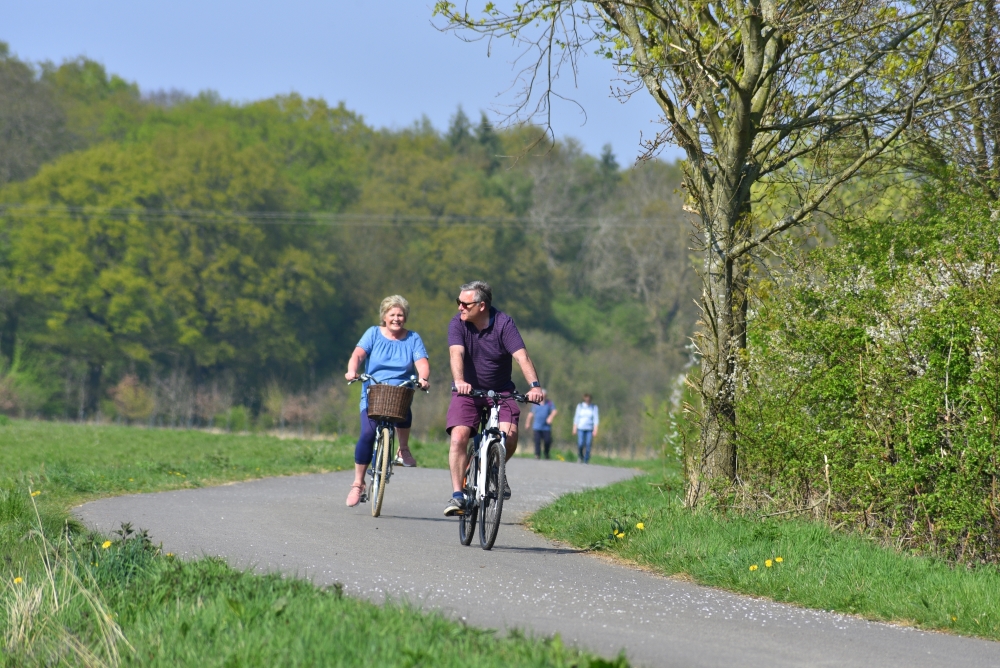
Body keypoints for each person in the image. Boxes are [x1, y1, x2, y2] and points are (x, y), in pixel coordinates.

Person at [443, 280, 545, 516]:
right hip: (467, 391)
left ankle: (493, 469)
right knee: (459, 437)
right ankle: (458, 495)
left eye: (464, 303)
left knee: (508, 437)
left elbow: (522, 357)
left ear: (481, 305)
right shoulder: (457, 324)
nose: (459, 307)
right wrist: (460, 381)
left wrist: (534, 386)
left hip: (500, 391)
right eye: (458, 302)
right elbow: (455, 353)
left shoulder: (503, 324)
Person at [344, 295, 430, 507]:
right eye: (392, 314)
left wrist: (423, 378)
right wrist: (352, 371)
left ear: (405, 317)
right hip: (373, 391)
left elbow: (422, 362)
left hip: (400, 390)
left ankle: (403, 449)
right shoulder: (373, 333)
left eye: (400, 314)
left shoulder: (413, 338)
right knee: (367, 433)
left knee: (404, 406)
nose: (396, 318)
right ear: (384, 316)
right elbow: (357, 355)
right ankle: (358, 484)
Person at [527, 389, 557, 459]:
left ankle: (546, 453)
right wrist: (528, 423)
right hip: (537, 426)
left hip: (546, 427)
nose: (543, 397)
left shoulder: (549, 403)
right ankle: (537, 454)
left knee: (547, 441)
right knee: (537, 441)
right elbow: (530, 414)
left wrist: (550, 417)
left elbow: (554, 411)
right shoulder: (535, 404)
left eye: (544, 395)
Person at [572, 394, 599, 464]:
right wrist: (574, 428)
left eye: (589, 398)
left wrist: (595, 430)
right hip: (580, 428)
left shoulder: (594, 407)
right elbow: (576, 417)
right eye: (586, 398)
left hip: (589, 429)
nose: (587, 399)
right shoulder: (580, 406)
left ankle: (586, 459)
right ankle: (580, 456)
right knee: (580, 443)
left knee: (588, 444)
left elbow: (596, 419)